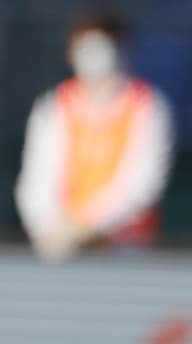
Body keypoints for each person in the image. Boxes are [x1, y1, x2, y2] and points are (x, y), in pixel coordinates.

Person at [14, 13, 175, 261]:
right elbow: (37, 179)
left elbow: (142, 185)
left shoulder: (148, 107)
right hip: (62, 250)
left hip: (128, 248)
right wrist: (50, 228)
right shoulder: (54, 106)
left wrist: (88, 227)